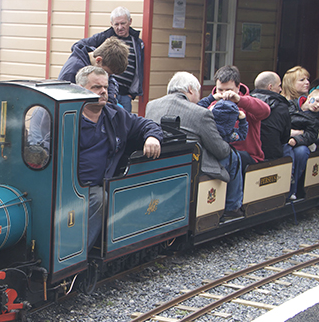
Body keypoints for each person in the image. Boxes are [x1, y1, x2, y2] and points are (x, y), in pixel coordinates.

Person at [75, 66, 163, 248]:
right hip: (71, 187)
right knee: (99, 199)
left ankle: (81, 252)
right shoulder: (70, 117)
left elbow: (146, 124)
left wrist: (153, 137)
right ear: (80, 88)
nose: (103, 92)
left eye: (105, 87)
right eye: (96, 87)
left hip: (99, 186)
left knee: (100, 198)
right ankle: (72, 255)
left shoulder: (114, 114)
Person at [146, 71, 244, 220]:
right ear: (191, 90)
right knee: (233, 156)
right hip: (191, 167)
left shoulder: (151, 105)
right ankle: (231, 208)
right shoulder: (200, 113)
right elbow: (221, 151)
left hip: (160, 164)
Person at [198, 65, 270, 171]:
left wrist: (239, 100)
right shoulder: (211, 104)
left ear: (238, 87)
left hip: (248, 159)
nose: (224, 94)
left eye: (229, 90)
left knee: (228, 159)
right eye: (220, 90)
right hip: (218, 155)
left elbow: (265, 111)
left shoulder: (248, 103)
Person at [76, 7, 144, 112]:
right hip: (106, 89)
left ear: (130, 22)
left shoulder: (137, 42)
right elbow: (78, 46)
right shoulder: (104, 37)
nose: (120, 27)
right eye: (116, 24)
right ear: (111, 24)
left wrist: (132, 94)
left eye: (123, 23)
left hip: (126, 94)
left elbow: (138, 68)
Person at [58, 36, 129, 105]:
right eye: (108, 73)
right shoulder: (71, 71)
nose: (108, 76)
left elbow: (110, 80)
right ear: (98, 60)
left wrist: (110, 100)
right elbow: (65, 102)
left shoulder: (101, 58)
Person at [286, 89, 319, 199]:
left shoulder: (317, 118)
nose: (317, 105)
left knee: (301, 152)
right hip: (283, 138)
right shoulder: (291, 105)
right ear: (309, 97)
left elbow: (311, 135)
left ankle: (292, 189)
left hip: (299, 143)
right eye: (317, 100)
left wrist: (296, 138)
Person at [251, 71, 291, 161]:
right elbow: (285, 137)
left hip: (250, 154)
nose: (280, 89)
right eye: (279, 85)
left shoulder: (246, 103)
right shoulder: (282, 107)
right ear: (270, 87)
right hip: (272, 156)